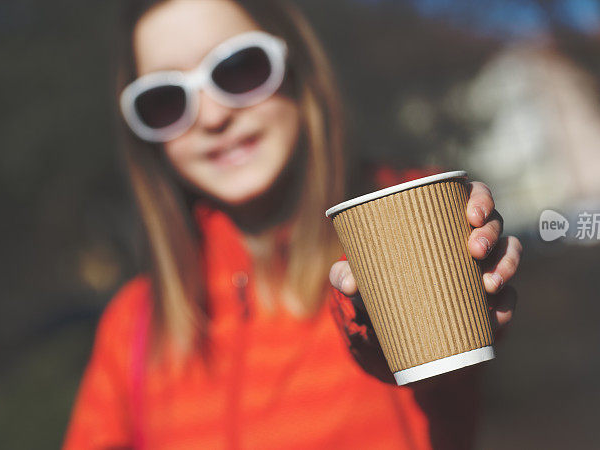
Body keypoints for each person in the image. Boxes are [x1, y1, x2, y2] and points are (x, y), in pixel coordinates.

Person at [63, 0, 523, 448]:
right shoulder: (131, 326)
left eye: (239, 68)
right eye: (165, 100)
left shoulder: (397, 233)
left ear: (297, 68)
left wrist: (398, 302)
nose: (212, 116)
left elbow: (439, 369)